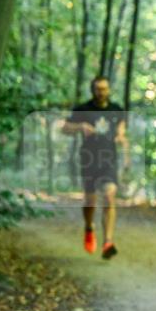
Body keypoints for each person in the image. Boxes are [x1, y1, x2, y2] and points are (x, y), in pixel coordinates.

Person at [62, 76, 128, 259]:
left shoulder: (116, 110)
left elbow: (121, 129)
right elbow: (65, 128)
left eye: (104, 88)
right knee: (90, 200)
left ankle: (108, 242)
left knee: (109, 196)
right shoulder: (83, 109)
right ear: (93, 90)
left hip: (109, 161)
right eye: (98, 89)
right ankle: (89, 227)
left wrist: (121, 137)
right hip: (89, 160)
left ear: (109, 90)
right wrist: (80, 126)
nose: (101, 92)